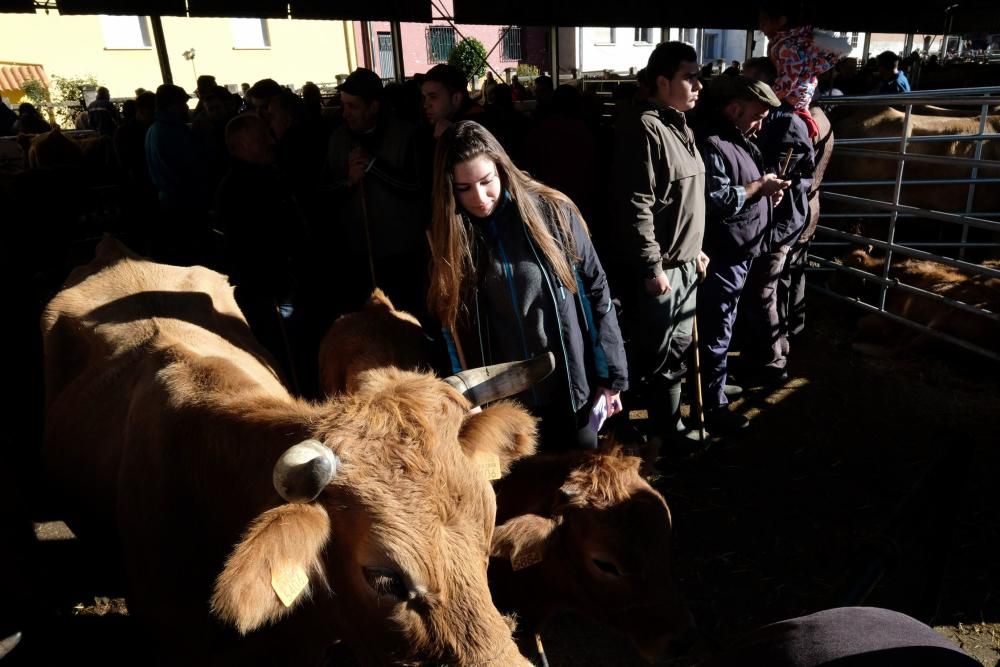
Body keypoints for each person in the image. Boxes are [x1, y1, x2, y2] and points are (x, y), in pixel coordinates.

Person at [428, 121, 628, 451]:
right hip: (502, 408)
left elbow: (596, 292)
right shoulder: (449, 237)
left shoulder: (553, 213)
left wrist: (611, 377)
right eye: (463, 188)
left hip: (571, 391)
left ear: (501, 168)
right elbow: (450, 326)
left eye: (486, 181)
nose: (479, 197)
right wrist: (464, 398)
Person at [613, 41, 708, 448]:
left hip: (686, 262)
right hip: (663, 270)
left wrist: (695, 249)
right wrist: (652, 266)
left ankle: (667, 430)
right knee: (653, 356)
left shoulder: (678, 125)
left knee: (676, 351)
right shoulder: (644, 127)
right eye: (690, 77)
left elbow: (682, 199)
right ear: (662, 81)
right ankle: (628, 432)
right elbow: (637, 203)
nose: (699, 85)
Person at [695, 75, 788, 434]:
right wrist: (756, 188)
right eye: (757, 115)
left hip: (739, 249)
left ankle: (713, 387)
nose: (761, 123)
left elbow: (740, 188)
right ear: (734, 109)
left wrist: (765, 192)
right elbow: (716, 199)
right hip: (723, 253)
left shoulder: (736, 138)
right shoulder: (712, 142)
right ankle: (714, 406)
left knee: (724, 324)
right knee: (717, 327)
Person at [326, 67, 426, 318]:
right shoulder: (338, 139)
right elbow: (324, 191)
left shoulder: (407, 136)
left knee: (405, 319)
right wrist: (348, 181)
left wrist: (374, 166)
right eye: (343, 105)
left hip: (401, 253)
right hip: (357, 253)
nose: (345, 113)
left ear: (374, 107)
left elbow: (418, 188)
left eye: (353, 107)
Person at [739, 64, 816, 385]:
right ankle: (773, 347)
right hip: (776, 223)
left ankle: (773, 362)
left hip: (780, 225)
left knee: (762, 290)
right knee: (765, 290)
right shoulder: (775, 122)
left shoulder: (785, 125)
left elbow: (781, 181)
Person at [759, 0, 851, 137]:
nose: (761, 27)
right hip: (799, 95)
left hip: (791, 98)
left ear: (781, 21)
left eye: (764, 22)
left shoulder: (787, 46)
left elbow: (788, 80)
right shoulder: (798, 41)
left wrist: (767, 97)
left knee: (764, 125)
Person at [421, 63, 483, 138]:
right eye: (424, 97)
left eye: (433, 97)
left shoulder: (478, 130)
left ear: (456, 98)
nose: (425, 105)